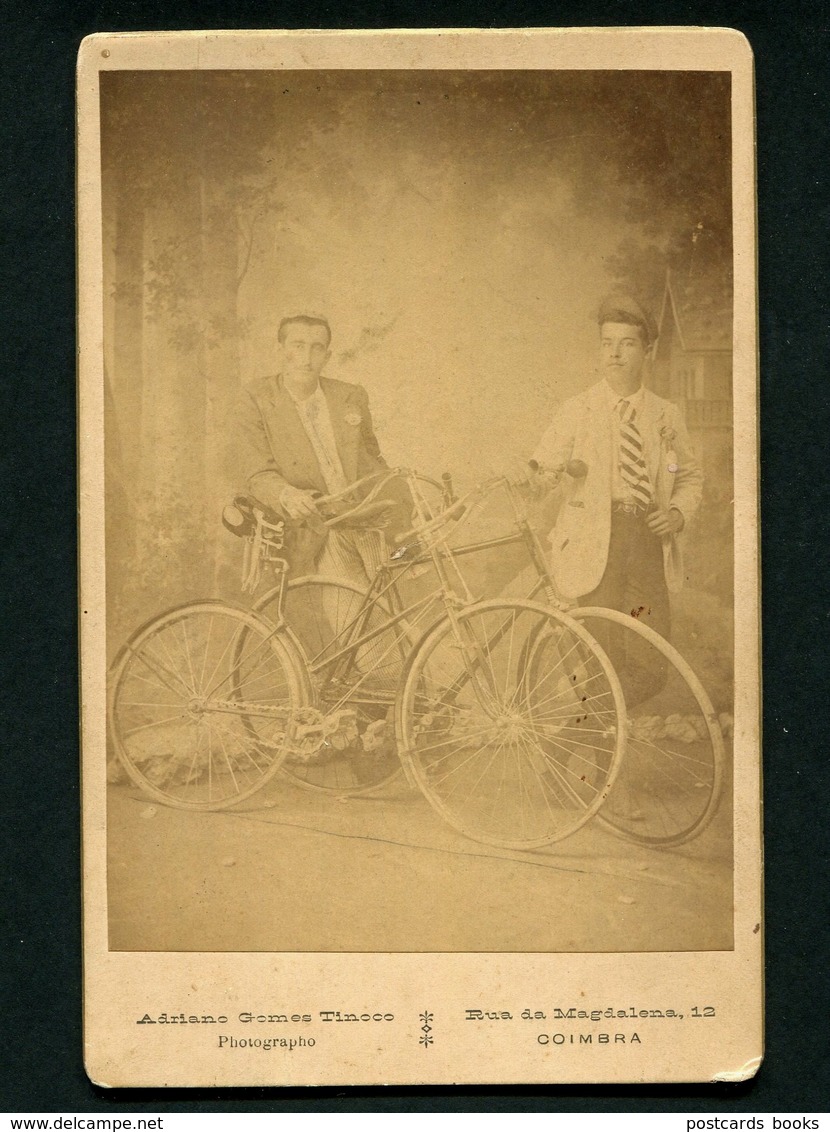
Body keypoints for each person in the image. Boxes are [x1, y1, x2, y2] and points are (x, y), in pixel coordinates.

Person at [530, 294, 703, 706]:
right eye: (608, 343)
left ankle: (590, 725)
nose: (615, 353)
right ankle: (600, 744)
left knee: (650, 664)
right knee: (597, 657)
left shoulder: (665, 415)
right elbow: (541, 470)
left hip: (645, 541)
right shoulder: (577, 409)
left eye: (626, 343)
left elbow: (689, 475)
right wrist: (546, 475)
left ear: (647, 351)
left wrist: (677, 514)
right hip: (593, 541)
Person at [235, 313, 411, 584]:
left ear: (327, 355)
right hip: (318, 528)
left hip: (367, 520)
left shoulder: (350, 396)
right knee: (352, 617)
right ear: (280, 350)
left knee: (395, 609)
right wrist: (286, 494)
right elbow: (257, 473)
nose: (307, 358)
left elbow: (373, 460)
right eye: (298, 346)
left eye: (317, 348)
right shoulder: (256, 398)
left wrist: (407, 498)